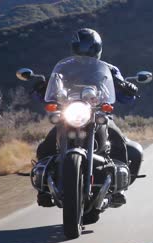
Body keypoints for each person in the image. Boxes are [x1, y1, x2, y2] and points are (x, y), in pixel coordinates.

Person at [32, 28, 143, 207]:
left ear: (96, 49)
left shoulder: (109, 69)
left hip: (98, 113)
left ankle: (119, 190)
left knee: (117, 139)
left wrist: (127, 88)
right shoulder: (63, 70)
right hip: (70, 113)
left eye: (89, 49)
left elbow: (125, 97)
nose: (85, 53)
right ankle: (43, 189)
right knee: (46, 146)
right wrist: (41, 86)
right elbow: (47, 91)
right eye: (81, 48)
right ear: (74, 48)